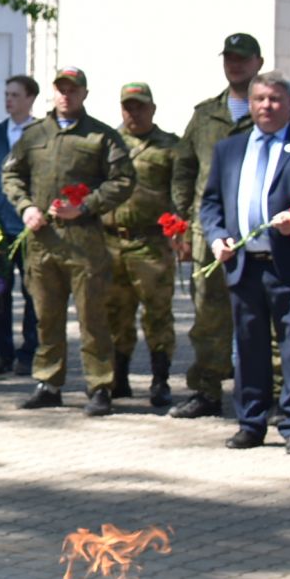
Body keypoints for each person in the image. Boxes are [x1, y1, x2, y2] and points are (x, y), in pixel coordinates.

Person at [200, 71, 290, 454]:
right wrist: (217, 238)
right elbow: (212, 203)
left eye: (276, 99)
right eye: (261, 99)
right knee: (249, 346)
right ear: (250, 105)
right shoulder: (229, 149)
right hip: (244, 263)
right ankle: (251, 422)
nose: (267, 106)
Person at [170, 33, 290, 419]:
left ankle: (280, 395)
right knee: (209, 317)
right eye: (230, 58)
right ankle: (206, 390)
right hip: (214, 235)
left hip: (269, 235)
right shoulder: (204, 116)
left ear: (258, 62)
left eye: (243, 59)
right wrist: (184, 217)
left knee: (271, 322)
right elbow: (184, 168)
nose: (235, 64)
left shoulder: (287, 112)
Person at [0, 66, 134, 416]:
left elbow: (123, 179)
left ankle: (100, 385)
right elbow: (11, 173)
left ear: (84, 94)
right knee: (46, 315)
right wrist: (26, 207)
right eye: (60, 88)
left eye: (72, 90)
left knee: (93, 317)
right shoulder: (34, 134)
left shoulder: (100, 137)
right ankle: (48, 382)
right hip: (43, 241)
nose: (66, 95)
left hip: (84, 242)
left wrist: (86, 206)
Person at [103, 83, 182, 408]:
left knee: (157, 314)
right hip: (110, 241)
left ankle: (160, 380)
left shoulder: (169, 146)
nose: (133, 112)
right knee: (114, 314)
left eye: (139, 106)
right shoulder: (107, 143)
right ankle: (118, 379)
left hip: (151, 243)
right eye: (128, 106)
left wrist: (181, 232)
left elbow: (180, 193)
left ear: (152, 108)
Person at [0, 75, 40, 377]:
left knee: (33, 294)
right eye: (7, 94)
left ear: (30, 98)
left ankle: (29, 353)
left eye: (15, 95)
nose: (9, 100)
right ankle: (2, 353)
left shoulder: (42, 133)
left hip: (29, 228)